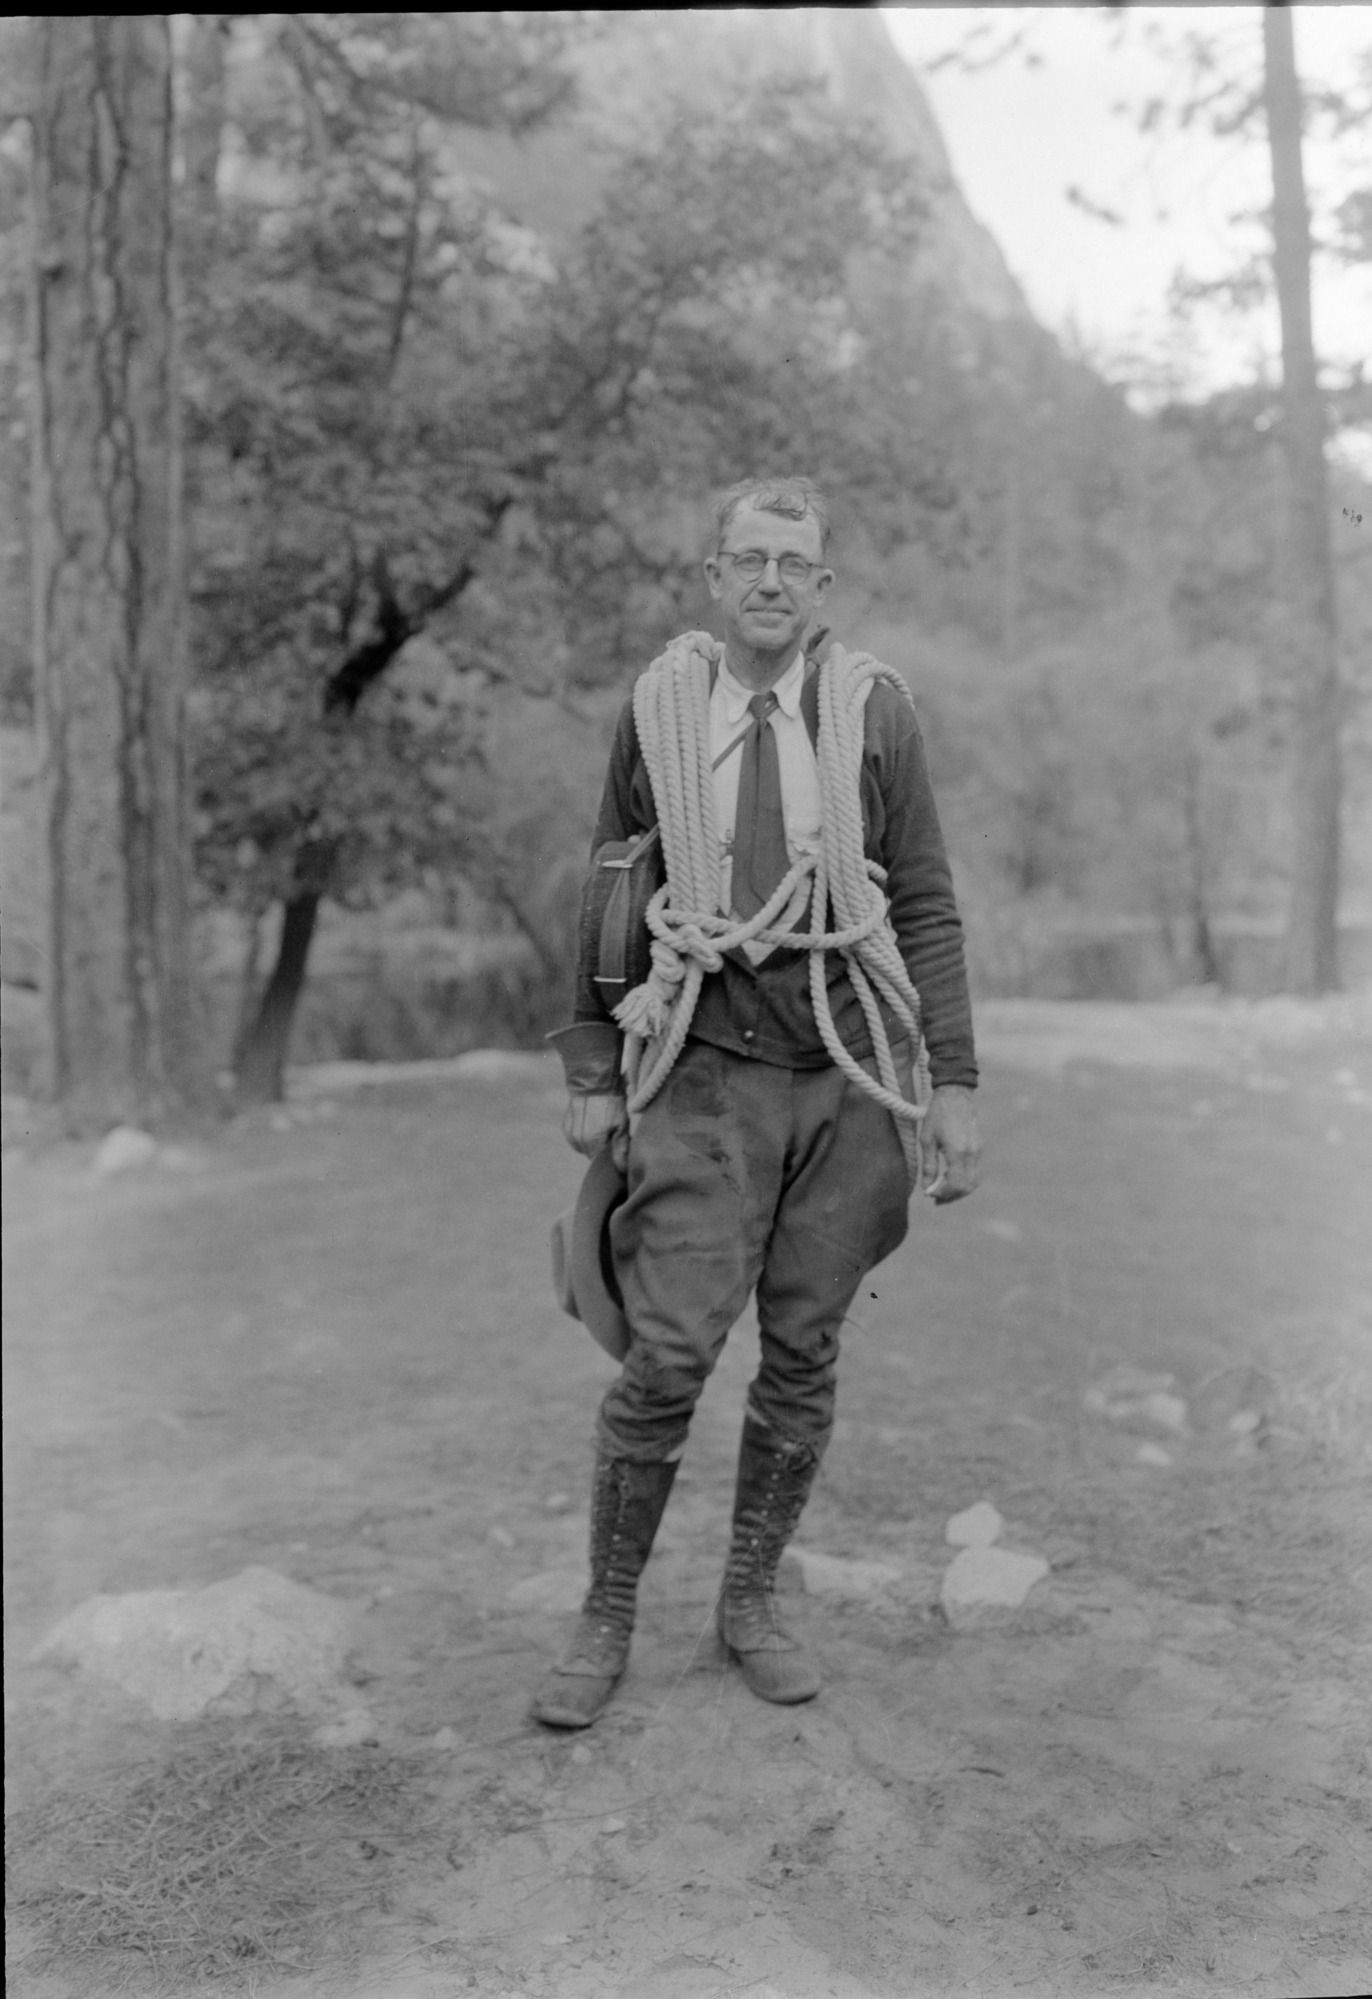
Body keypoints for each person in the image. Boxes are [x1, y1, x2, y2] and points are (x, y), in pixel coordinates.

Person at [533, 476, 980, 1729]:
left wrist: (952, 1084)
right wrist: (593, 1071)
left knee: (804, 1347)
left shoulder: (876, 717)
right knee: (669, 1348)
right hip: (703, 1068)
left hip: (844, 1076)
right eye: (751, 560)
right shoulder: (660, 709)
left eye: (796, 562)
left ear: (821, 587)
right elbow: (614, 881)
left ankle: (749, 1599)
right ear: (715, 578)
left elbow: (929, 905)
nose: (772, 581)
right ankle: (606, 1611)